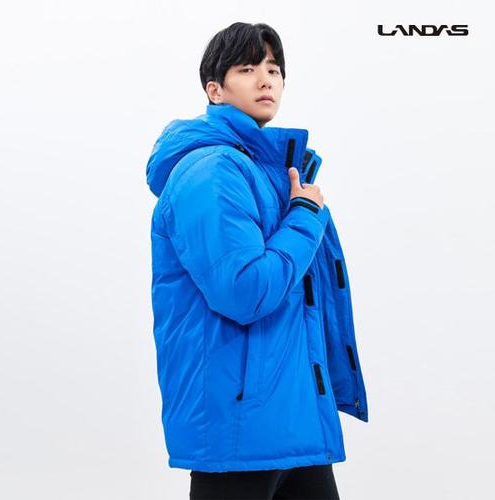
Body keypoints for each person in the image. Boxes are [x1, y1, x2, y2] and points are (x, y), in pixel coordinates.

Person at [145, 22, 368, 499]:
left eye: (273, 69)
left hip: (293, 419)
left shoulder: (270, 172)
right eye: (247, 69)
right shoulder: (212, 170)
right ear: (215, 90)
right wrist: (305, 215)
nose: (266, 79)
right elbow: (245, 291)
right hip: (239, 425)